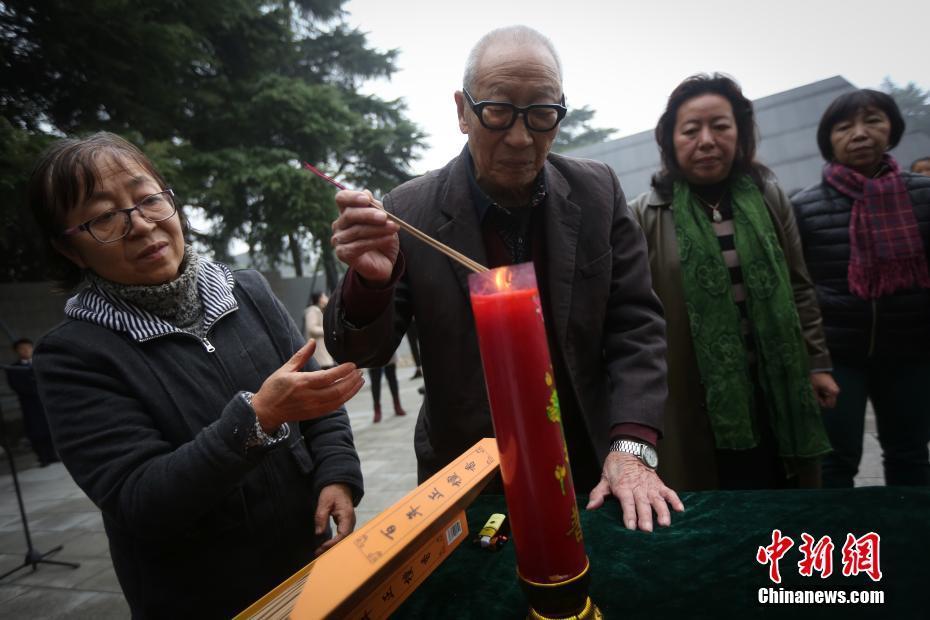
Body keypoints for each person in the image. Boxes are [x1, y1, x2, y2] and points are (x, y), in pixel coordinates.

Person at [325, 25, 683, 533]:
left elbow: (636, 325)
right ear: (462, 111)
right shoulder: (408, 211)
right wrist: (370, 283)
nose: (520, 138)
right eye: (498, 112)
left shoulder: (596, 192)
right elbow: (361, 354)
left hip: (594, 463)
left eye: (541, 114)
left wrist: (630, 445)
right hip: (470, 470)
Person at [28, 132, 365, 618]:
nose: (141, 226)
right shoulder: (73, 355)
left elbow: (317, 401)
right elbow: (140, 500)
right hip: (202, 596)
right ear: (70, 251)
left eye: (148, 199)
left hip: (309, 561)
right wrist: (257, 418)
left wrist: (337, 475)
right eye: (103, 217)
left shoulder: (246, 290)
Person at [629, 74, 836, 491]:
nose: (706, 140)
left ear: (740, 132)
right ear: (670, 140)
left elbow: (799, 286)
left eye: (720, 126)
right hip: (697, 398)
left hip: (777, 387)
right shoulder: (644, 215)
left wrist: (817, 364)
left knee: (785, 500)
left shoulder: (768, 198)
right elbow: (635, 315)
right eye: (691, 130)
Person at [792, 90, 930, 488]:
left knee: (910, 454)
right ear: (828, 139)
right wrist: (814, 359)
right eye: (844, 126)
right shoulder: (806, 207)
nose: (860, 133)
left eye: (872, 121)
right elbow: (799, 287)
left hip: (912, 351)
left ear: (892, 128)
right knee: (837, 460)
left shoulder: (922, 194)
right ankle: (842, 547)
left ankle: (909, 542)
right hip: (839, 357)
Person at [4, 338, 59, 466]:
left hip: (45, 401)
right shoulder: (13, 368)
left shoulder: (40, 363)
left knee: (50, 428)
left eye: (28, 347)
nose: (26, 350)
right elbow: (17, 386)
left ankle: (53, 455)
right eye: (22, 348)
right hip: (30, 404)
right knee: (36, 431)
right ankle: (42, 457)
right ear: (17, 351)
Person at [368, 353, 407, 423]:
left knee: (392, 379)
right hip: (372, 351)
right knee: (375, 381)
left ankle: (397, 405)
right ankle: (377, 409)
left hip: (388, 348)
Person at [304, 291, 335, 369]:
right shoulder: (313, 310)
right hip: (318, 351)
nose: (327, 298)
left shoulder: (319, 310)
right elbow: (312, 328)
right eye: (324, 296)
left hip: (322, 350)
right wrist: (328, 330)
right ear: (320, 298)